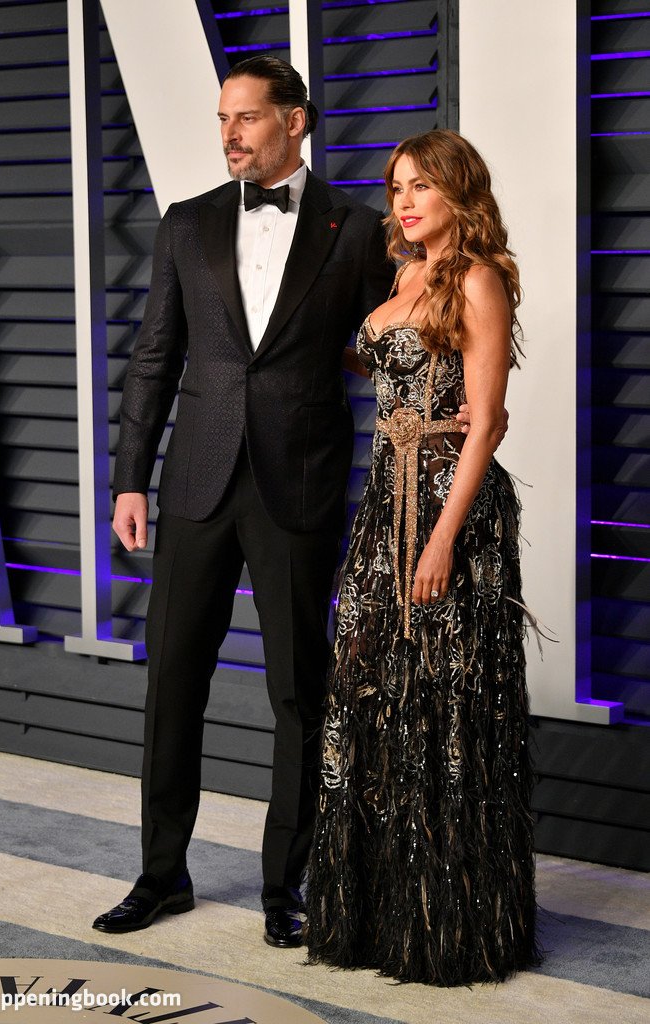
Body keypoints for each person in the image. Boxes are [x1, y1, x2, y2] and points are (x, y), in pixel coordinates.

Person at [91, 55, 398, 949]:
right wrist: (129, 477)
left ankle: (284, 886)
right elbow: (155, 356)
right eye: (222, 118)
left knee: (299, 692)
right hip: (195, 480)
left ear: (294, 121)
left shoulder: (357, 230)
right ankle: (161, 876)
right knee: (170, 684)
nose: (229, 134)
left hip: (298, 484)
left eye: (247, 117)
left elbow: (387, 351)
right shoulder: (185, 223)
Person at [305, 129, 539, 984]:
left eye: (420, 187)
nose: (402, 202)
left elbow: (486, 422)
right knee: (368, 689)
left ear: (457, 193)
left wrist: (441, 537)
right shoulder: (401, 274)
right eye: (396, 187)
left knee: (445, 701)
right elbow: (375, 365)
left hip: (450, 511)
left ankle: (448, 925)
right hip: (382, 504)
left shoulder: (477, 279)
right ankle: (374, 916)